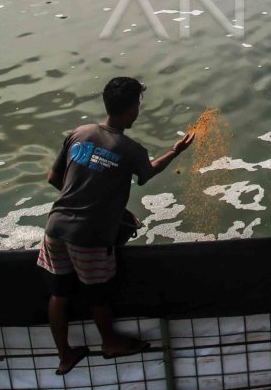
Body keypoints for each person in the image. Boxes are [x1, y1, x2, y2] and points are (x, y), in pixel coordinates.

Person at [36, 77, 195, 375]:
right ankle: (110, 343)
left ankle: (65, 356)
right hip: (90, 236)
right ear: (133, 109)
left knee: (59, 293)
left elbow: (53, 178)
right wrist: (176, 151)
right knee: (98, 294)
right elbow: (146, 174)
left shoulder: (80, 133)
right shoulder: (129, 148)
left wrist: (80, 197)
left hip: (55, 227)